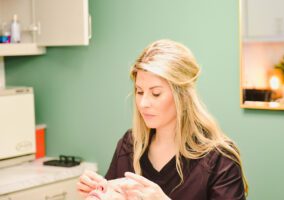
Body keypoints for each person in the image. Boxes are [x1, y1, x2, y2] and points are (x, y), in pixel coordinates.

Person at [77, 39, 248, 200]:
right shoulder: (129, 145)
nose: (143, 103)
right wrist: (96, 192)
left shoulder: (219, 158)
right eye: (139, 91)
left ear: (182, 95)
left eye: (156, 93)